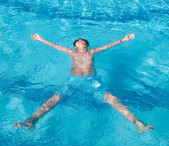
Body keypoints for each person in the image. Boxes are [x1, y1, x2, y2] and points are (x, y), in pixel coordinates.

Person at [14, 34, 154, 133]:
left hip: (93, 82)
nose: (80, 40)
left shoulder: (92, 52)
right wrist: (40, 39)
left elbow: (108, 46)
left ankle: (138, 124)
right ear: (75, 45)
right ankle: (31, 121)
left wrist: (124, 39)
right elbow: (55, 46)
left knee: (113, 100)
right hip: (73, 82)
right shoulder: (71, 52)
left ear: (86, 44)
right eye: (77, 40)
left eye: (82, 40)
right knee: (54, 99)